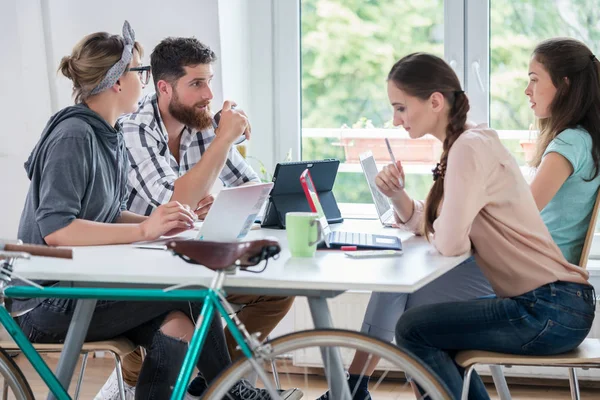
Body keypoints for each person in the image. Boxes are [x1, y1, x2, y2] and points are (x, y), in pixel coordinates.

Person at [15, 21, 286, 400]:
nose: (145, 81)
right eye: (139, 72)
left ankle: (224, 391)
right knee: (191, 289)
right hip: (46, 300)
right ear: (116, 82)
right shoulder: (74, 135)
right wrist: (145, 231)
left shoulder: (106, 133)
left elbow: (108, 214)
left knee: (178, 328)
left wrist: (160, 223)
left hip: (82, 285)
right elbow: (58, 230)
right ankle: (231, 392)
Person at [318, 38, 600, 400]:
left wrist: (448, 228)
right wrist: (407, 203)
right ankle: (353, 390)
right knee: (422, 322)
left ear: (435, 102)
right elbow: (449, 227)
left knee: (415, 327)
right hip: (554, 303)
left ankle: (351, 390)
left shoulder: (470, 147)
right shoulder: (471, 141)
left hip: (546, 308)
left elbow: (452, 242)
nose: (395, 119)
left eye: (401, 107)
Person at [95, 36, 298, 399]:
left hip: (190, 260)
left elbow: (250, 185)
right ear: (164, 88)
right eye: (197, 83)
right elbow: (174, 202)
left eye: (210, 81)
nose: (208, 94)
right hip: (140, 267)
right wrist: (222, 141)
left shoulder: (200, 123)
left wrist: (225, 200)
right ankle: (210, 383)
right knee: (200, 297)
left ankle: (210, 385)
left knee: (275, 292)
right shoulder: (133, 128)